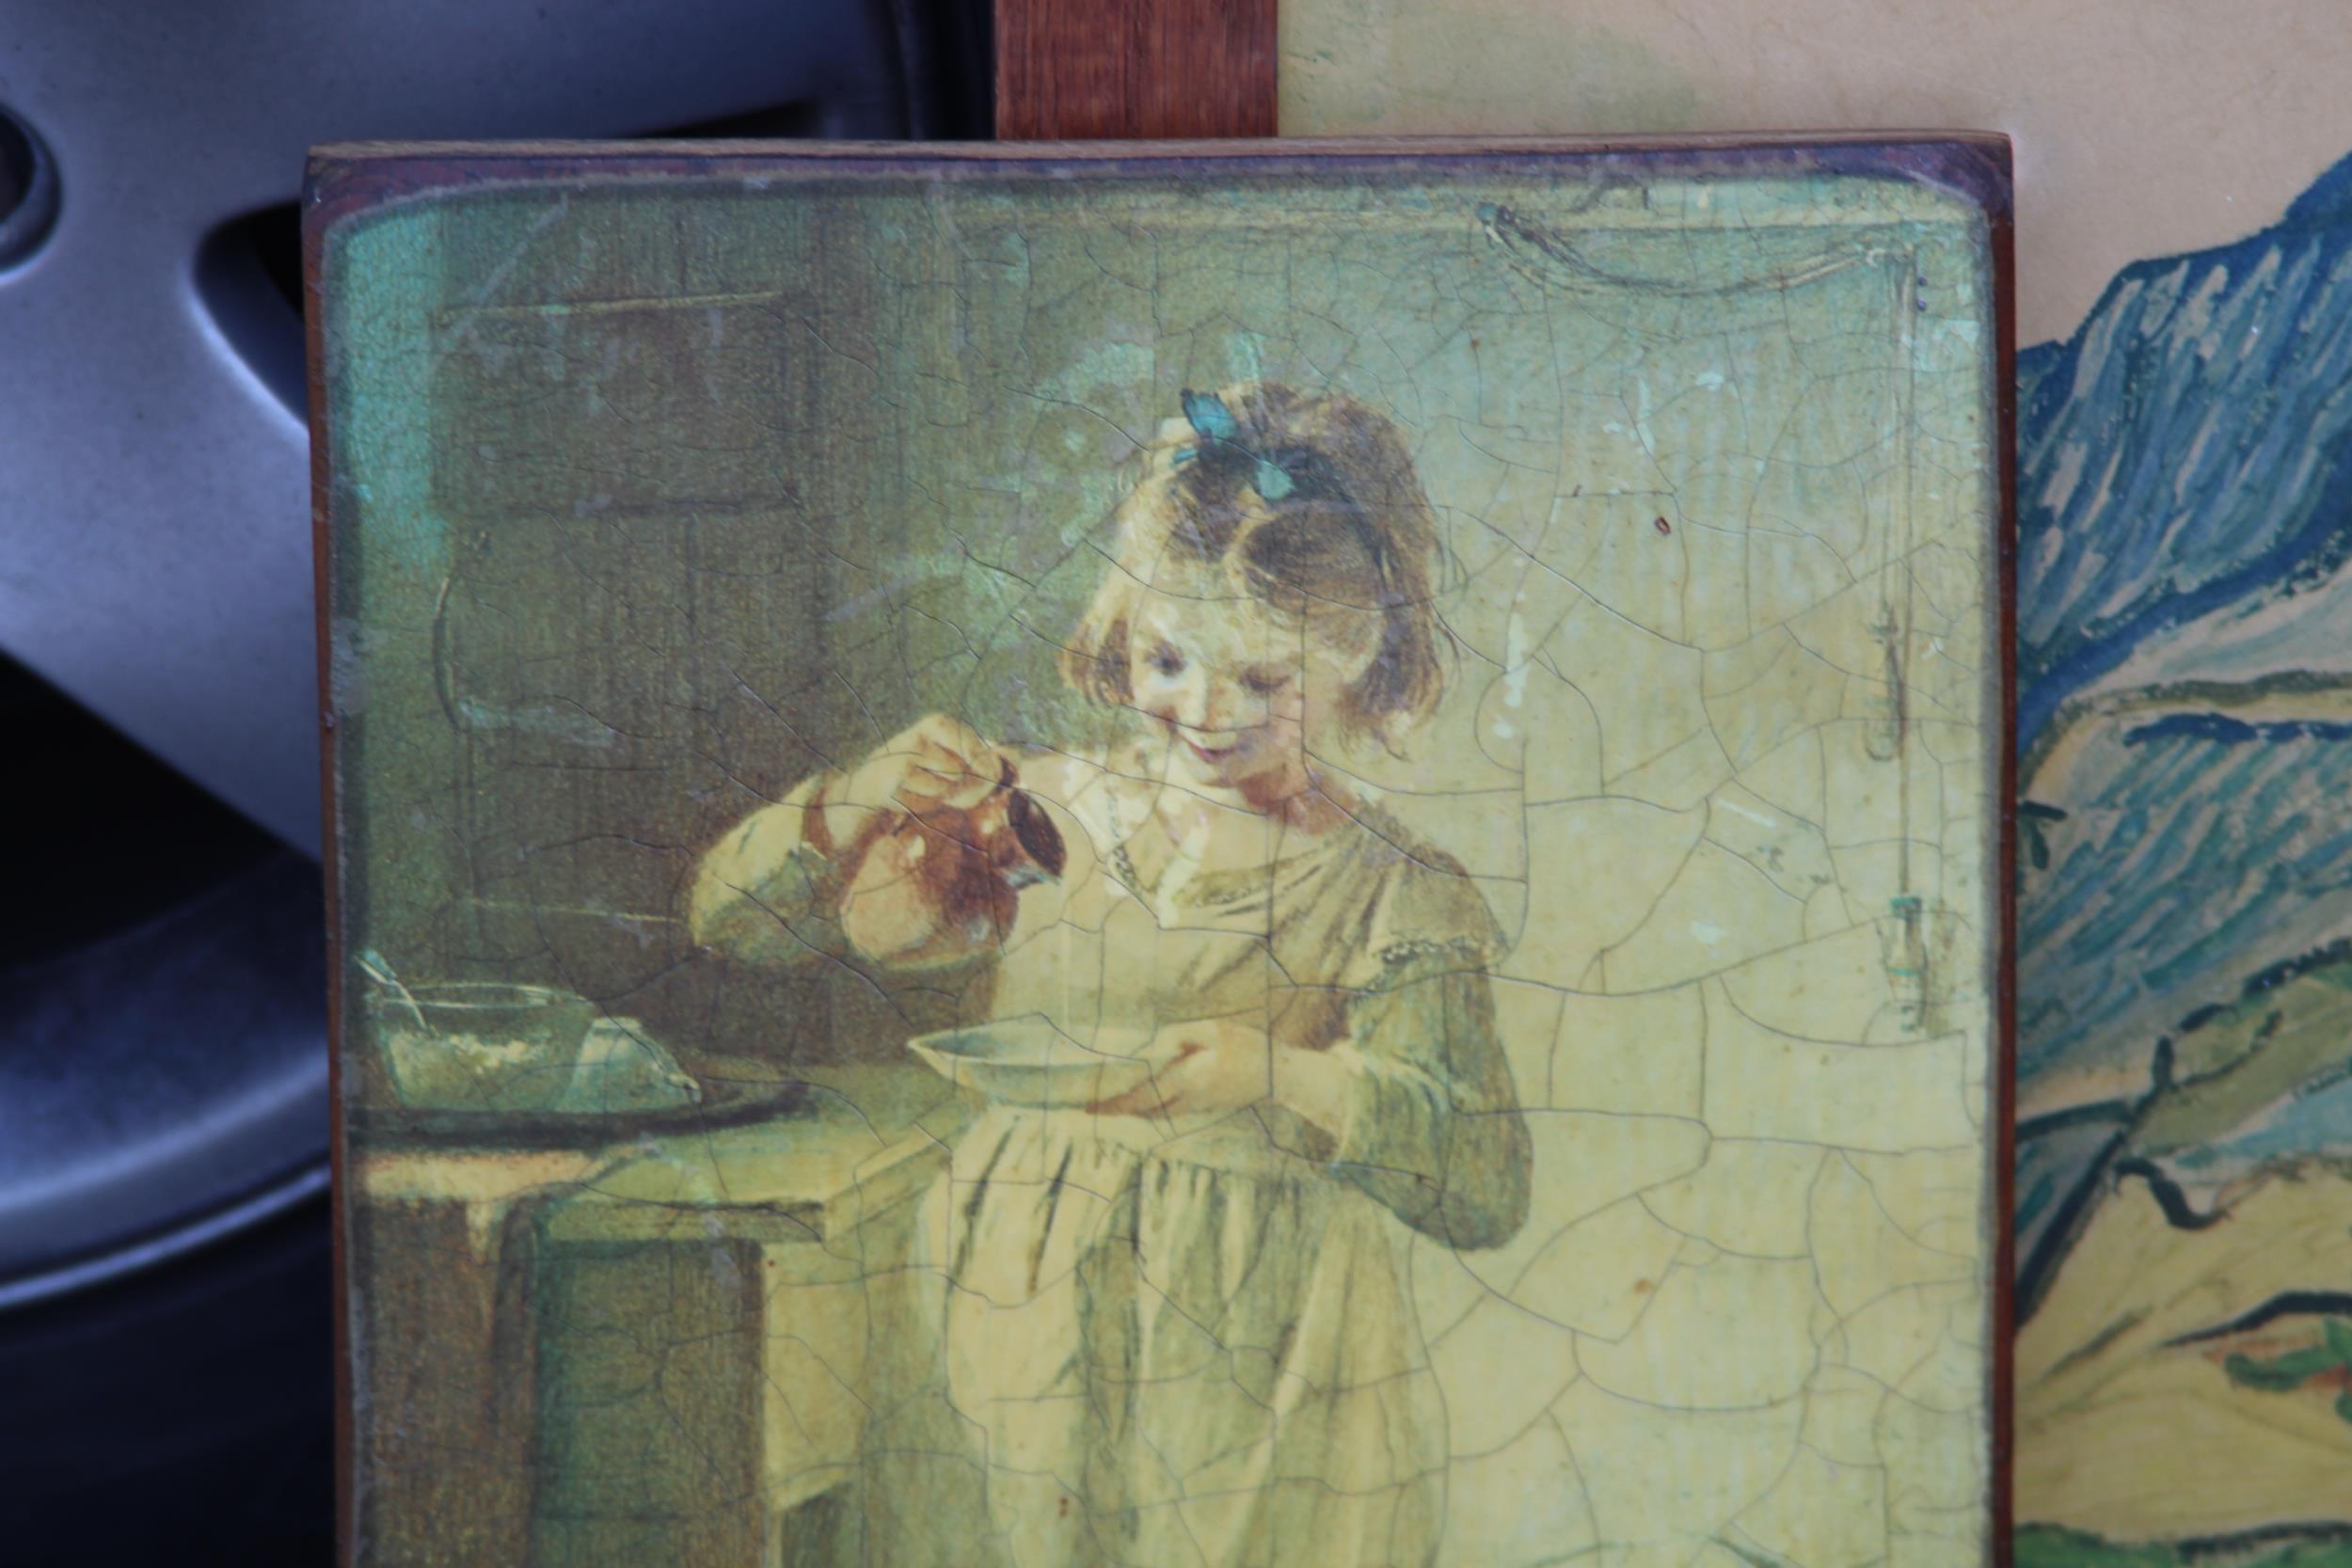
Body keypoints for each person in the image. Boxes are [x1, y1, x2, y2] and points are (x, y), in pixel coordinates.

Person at [690, 380, 1531, 1568]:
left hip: (1265, 1345)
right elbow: (730, 925)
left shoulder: (1394, 884)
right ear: (1122, 631)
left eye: (1262, 680)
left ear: (1353, 661)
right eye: (1168, 659)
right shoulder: (1041, 813)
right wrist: (860, 797)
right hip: (1007, 1301)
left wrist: (1278, 1072)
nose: (1204, 710)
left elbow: (1482, 1179)